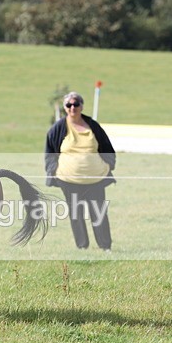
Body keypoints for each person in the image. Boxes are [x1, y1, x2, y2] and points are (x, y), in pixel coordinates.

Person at [44, 91, 116, 251]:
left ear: (81, 106)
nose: (72, 108)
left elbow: (107, 148)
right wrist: (52, 170)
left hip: (95, 179)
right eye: (69, 105)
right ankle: (82, 246)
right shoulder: (58, 128)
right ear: (65, 107)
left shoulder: (93, 126)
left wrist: (109, 165)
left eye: (76, 104)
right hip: (68, 180)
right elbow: (49, 152)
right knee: (76, 214)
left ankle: (105, 246)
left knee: (98, 213)